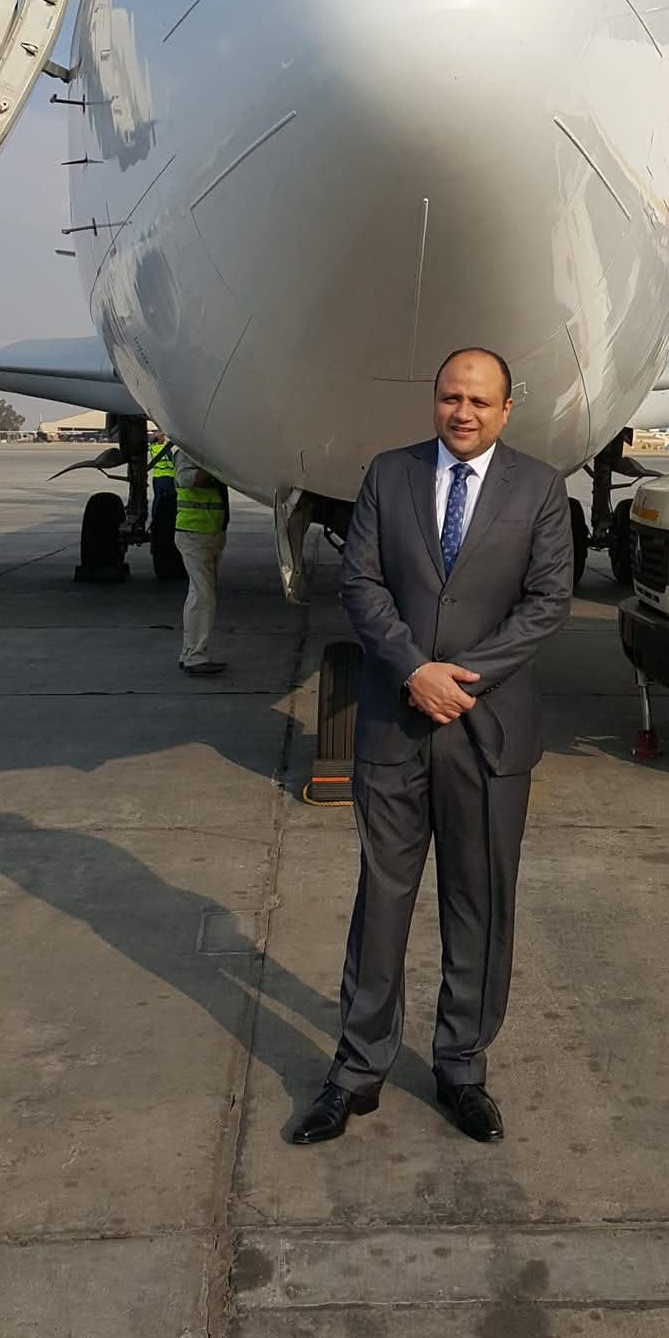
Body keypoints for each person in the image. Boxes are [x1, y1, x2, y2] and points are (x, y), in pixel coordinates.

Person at [293, 347, 574, 1147]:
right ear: (434, 400)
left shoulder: (538, 488)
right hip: (395, 722)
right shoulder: (389, 475)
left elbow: (548, 599)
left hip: (487, 734)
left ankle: (461, 1066)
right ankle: (356, 1069)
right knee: (381, 903)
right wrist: (415, 670)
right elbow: (360, 583)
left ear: (507, 409)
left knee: (478, 904)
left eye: (480, 401)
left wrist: (461, 680)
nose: (463, 412)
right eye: (451, 397)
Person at [173, 448, 229, 677]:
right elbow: (187, 480)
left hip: (209, 533)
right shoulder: (187, 452)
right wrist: (217, 461)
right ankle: (195, 657)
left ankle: (188, 653)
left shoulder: (204, 452)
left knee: (197, 594)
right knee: (204, 597)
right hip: (194, 534)